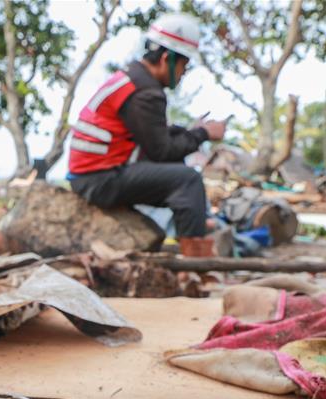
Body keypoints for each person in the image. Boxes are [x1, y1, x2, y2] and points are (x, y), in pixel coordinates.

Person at [67, 13, 227, 257]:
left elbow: (155, 135)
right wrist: (203, 133)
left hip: (93, 174)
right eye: (184, 65)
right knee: (188, 180)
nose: (183, 74)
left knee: (180, 169)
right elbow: (161, 150)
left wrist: (190, 131)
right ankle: (195, 262)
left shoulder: (132, 79)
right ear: (166, 59)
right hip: (99, 180)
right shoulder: (146, 92)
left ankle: (194, 230)